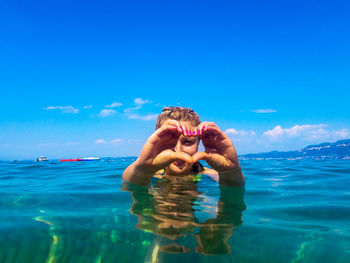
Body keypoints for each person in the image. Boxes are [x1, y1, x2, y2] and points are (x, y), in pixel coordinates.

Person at [122, 106, 245, 187]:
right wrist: (142, 171)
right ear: (156, 143)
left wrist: (230, 171)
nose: (178, 152)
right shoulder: (153, 173)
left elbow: (233, 185)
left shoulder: (204, 172)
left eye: (187, 142)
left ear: (199, 143)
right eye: (169, 143)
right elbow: (129, 181)